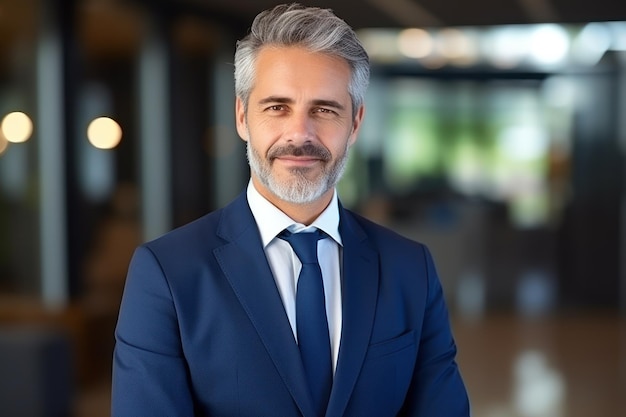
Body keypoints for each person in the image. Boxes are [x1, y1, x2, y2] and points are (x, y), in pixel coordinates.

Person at [111, 3, 470, 416]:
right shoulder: (167, 273)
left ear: (355, 124)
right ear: (242, 116)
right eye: (277, 107)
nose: (300, 133)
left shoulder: (410, 269)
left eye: (324, 109)